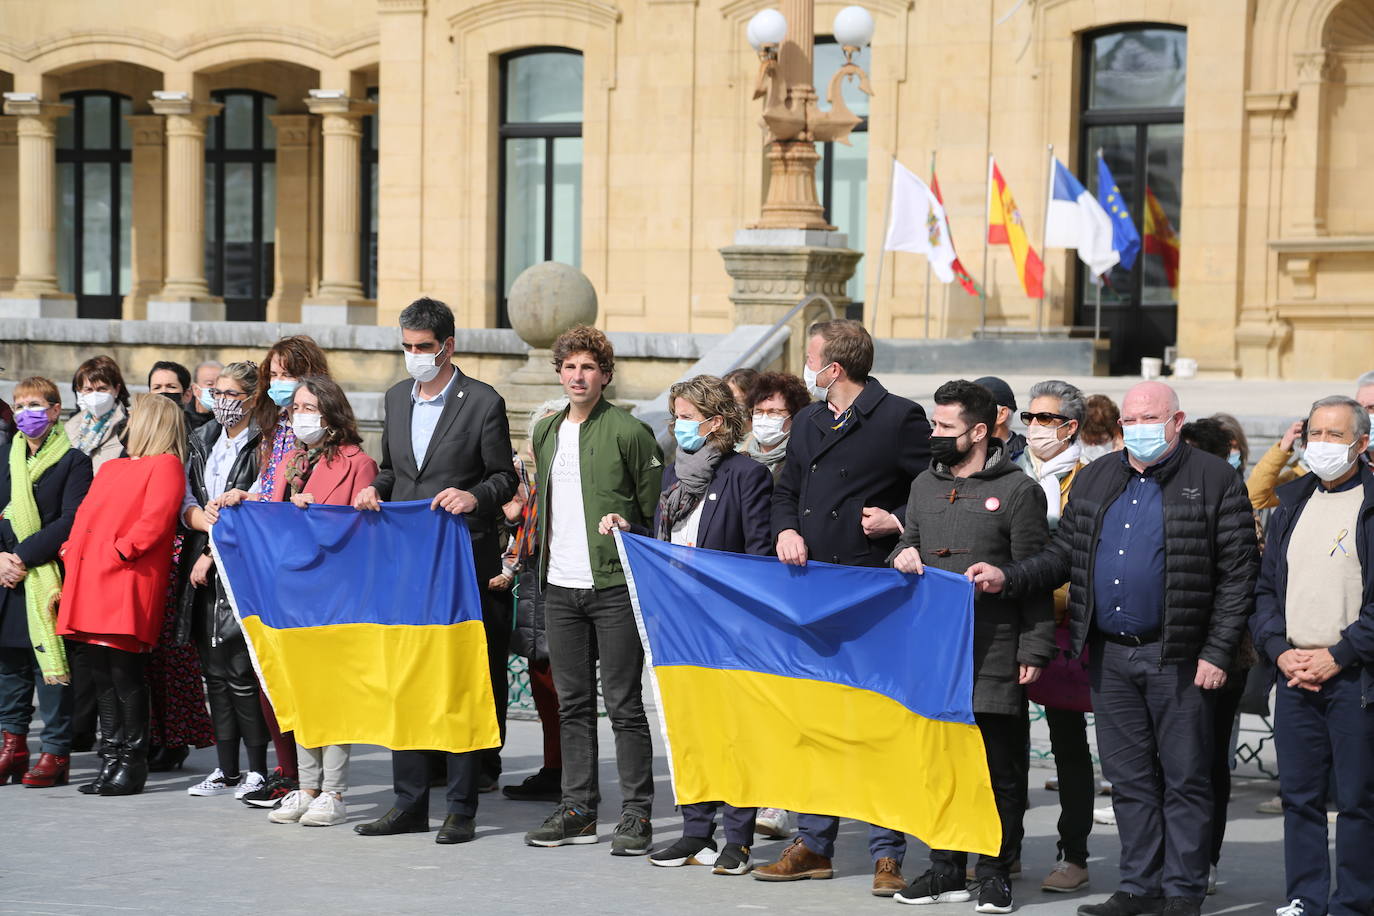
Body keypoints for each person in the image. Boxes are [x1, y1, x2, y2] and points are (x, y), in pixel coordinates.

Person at [966, 381, 1259, 916]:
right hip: (1111, 656)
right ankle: (1139, 885)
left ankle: (1183, 891)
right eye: (1131, 420)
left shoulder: (1213, 479)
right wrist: (1005, 577)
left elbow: (1239, 574)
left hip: (1181, 656)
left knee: (1185, 778)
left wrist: (1217, 652)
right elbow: (1062, 555)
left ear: (1177, 421)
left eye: (1151, 418)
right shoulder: (1101, 476)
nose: (1139, 428)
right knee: (1127, 779)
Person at [754, 319, 931, 896]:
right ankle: (814, 843)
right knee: (816, 722)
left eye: (812, 358)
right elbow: (787, 489)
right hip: (812, 587)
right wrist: (785, 531)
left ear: (835, 367)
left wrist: (898, 521)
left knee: (877, 724)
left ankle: (887, 853)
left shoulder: (899, 416)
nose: (808, 366)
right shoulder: (807, 419)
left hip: (872, 588)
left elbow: (932, 488)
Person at [352, 297, 517, 845]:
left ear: (448, 346)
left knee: (459, 683)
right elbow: (393, 470)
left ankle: (463, 806)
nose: (415, 356)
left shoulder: (484, 402)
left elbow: (504, 479)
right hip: (406, 564)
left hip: (461, 563)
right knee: (407, 681)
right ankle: (409, 802)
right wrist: (372, 491)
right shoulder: (396, 398)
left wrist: (473, 498)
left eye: (424, 347)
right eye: (407, 346)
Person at [884, 380, 1052, 913]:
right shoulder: (921, 487)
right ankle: (945, 867)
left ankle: (996, 870)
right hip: (934, 652)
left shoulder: (1021, 490)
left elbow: (1038, 573)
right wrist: (902, 554)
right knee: (942, 765)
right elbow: (906, 540)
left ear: (979, 432)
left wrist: (1034, 648)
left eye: (946, 427)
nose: (935, 434)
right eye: (935, 424)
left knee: (999, 769)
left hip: (996, 648)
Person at [600, 374, 772, 876]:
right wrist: (633, 533)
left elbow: (758, 558)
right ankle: (697, 831)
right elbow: (665, 537)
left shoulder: (746, 475)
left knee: (733, 733)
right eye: (676, 416)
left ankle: (738, 837)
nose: (677, 426)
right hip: (675, 625)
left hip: (728, 628)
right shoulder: (674, 475)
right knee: (688, 730)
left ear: (716, 423)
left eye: (687, 417)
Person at [522, 325, 663, 856]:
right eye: (569, 367)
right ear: (559, 374)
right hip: (559, 585)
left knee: (624, 705)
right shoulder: (547, 430)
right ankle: (578, 809)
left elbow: (654, 512)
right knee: (572, 704)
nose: (577, 376)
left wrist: (626, 522)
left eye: (587, 367)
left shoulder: (629, 432)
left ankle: (636, 815)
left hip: (612, 587)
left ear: (604, 375)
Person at [219, 376, 377, 827]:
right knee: (301, 691)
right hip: (290, 592)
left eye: (309, 407)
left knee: (333, 695)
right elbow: (269, 511)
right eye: (296, 409)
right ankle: (306, 786)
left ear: (330, 414)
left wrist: (319, 517)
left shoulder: (358, 463)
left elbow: (361, 533)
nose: (299, 415)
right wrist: (243, 500)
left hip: (335, 595)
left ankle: (335, 790)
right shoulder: (289, 461)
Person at [1250, 396, 1374, 916]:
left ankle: (1354, 901)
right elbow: (1265, 592)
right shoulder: (1291, 502)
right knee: (1298, 798)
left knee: (1357, 802)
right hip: (1295, 674)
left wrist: (1341, 653)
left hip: (1353, 677)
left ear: (1362, 444)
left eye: (1335, 436)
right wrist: (1278, 651)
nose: (1321, 445)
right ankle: (1304, 896)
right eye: (1315, 434)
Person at [57, 394, 187, 796]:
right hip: (91, 574)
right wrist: (71, 551)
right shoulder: (113, 466)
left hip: (125, 577)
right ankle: (111, 756)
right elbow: (85, 515)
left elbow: (156, 520)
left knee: (124, 673)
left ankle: (131, 762)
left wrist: (121, 550)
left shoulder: (166, 465)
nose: (129, 423)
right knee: (99, 672)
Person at [236, 335, 333, 807]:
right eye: (272, 375)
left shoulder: (326, 436)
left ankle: (306, 776)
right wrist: (245, 497)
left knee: (304, 675)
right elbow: (267, 486)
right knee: (268, 671)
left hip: (307, 569)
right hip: (270, 559)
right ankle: (286, 768)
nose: (278, 384)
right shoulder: (273, 430)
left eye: (287, 374)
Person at [1014, 379, 1096, 895]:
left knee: (1068, 744)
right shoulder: (1009, 472)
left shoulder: (1091, 481)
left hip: (1064, 626)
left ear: (1070, 426)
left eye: (1045, 419)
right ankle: (1002, 847)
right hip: (1007, 622)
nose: (1035, 428)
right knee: (1004, 740)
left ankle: (1075, 852)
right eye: (1030, 417)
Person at [177, 361, 272, 799]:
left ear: (252, 398)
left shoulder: (263, 443)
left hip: (238, 564)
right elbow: (188, 499)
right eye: (218, 392)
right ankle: (225, 768)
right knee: (213, 674)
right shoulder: (202, 439)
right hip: (201, 561)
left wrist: (215, 551)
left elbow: (256, 508)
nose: (223, 402)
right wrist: (198, 520)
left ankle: (257, 769)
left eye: (232, 394)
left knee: (239, 673)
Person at [1179, 417, 1259, 894]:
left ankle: (1204, 858)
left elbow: (1241, 580)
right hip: (1174, 651)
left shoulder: (1233, 499)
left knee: (1207, 762)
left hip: (1225, 655)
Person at [0, 378, 93, 788]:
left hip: (47, 577)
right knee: (9, 669)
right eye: (19, 405)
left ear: (56, 410)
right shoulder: (4, 456)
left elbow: (71, 520)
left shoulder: (74, 461)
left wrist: (22, 555)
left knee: (48, 671)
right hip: (6, 578)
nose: (25, 413)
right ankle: (13, 748)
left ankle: (55, 752)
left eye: (34, 404)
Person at [498, 399, 568, 804]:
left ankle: (569, 773)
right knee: (543, 686)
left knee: (562, 691)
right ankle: (553, 767)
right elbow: (525, 538)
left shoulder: (559, 483)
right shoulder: (534, 484)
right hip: (534, 595)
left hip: (558, 593)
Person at [65, 355, 132, 749]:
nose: (93, 396)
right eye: (86, 389)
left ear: (117, 389)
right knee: (78, 644)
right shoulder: (70, 429)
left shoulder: (128, 429)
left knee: (106, 646)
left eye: (101, 388)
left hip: (109, 543)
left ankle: (116, 736)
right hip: (72, 541)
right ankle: (80, 727)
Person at [740, 371, 810, 484]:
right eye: (758, 411)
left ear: (794, 415)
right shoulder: (739, 451)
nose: (764, 418)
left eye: (774, 412)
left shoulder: (803, 458)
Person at [149, 360, 210, 432]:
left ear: (187, 395)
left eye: (171, 387)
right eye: (157, 388)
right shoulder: (136, 427)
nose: (163, 391)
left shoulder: (203, 431)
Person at [975, 376, 1024, 463]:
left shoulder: (1026, 460)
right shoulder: (962, 452)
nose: (964, 416)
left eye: (975, 408)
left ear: (1001, 415)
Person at [1079, 395, 1124, 463]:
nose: (1093, 445)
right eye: (1087, 441)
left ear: (1115, 430)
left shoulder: (1125, 448)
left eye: (1099, 441)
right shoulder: (1074, 445)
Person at [190, 360, 223, 427]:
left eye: (220, 383)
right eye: (210, 384)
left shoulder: (229, 418)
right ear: (195, 389)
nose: (216, 388)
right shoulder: (182, 418)